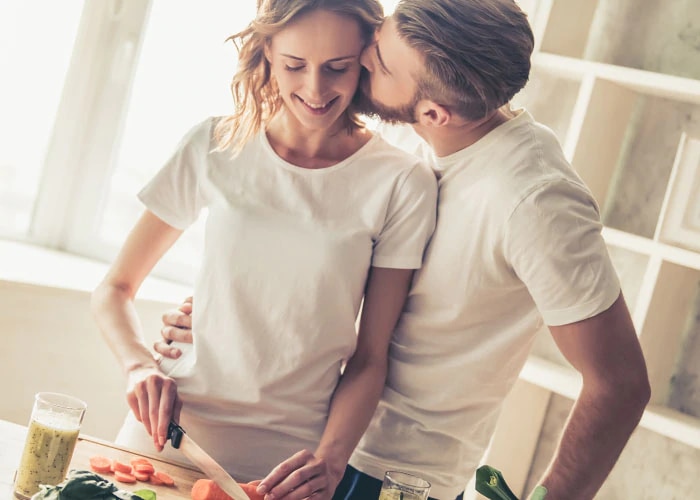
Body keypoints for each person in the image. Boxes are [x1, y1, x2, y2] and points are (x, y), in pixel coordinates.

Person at [157, 1, 651, 499]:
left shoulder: (536, 202)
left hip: (392, 476)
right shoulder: (430, 138)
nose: (363, 56)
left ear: (434, 112)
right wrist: (231, 317)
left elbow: (620, 385)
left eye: (381, 62)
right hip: (317, 441)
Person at [91, 0, 438, 499]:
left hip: (287, 465)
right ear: (267, 52)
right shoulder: (215, 144)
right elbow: (115, 288)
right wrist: (139, 365)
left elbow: (370, 357)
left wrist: (331, 461)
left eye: (336, 68)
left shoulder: (401, 182)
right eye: (296, 65)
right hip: (167, 435)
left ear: (365, 58)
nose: (316, 90)